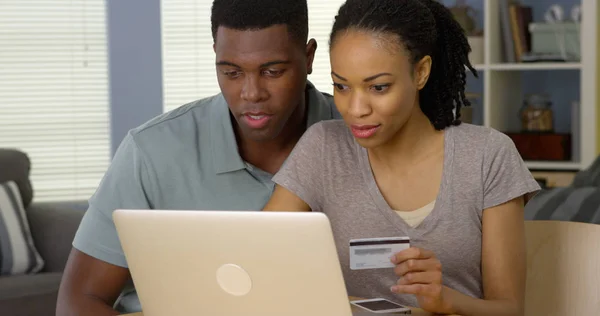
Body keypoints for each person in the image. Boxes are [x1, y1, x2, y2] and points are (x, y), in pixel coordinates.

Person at [55, 0, 340, 315]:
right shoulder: (152, 151)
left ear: (309, 56)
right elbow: (78, 303)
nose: (251, 93)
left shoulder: (362, 136)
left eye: (272, 71)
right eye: (231, 72)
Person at [263, 0, 540, 315]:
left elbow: (509, 309)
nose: (355, 110)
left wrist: (445, 301)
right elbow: (258, 255)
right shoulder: (323, 148)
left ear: (420, 72)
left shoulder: (487, 155)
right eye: (341, 86)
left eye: (378, 87)